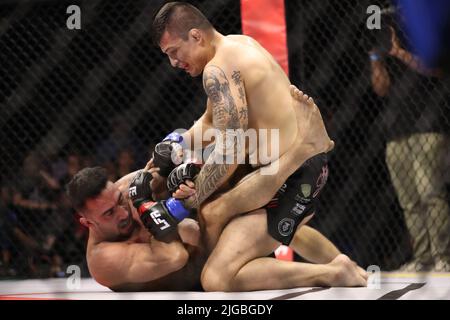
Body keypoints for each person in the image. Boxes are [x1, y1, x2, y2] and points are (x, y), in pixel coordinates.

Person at [66, 87, 367, 291]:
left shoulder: (127, 189)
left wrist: (174, 171)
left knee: (215, 191)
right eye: (108, 213)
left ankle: (347, 267)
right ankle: (333, 270)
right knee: (208, 236)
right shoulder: (103, 260)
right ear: (87, 223)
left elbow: (160, 167)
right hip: (193, 271)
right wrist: (158, 210)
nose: (121, 211)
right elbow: (174, 258)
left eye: (119, 200)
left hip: (203, 241)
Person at [151, 1, 335, 252]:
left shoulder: (217, 70)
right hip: (290, 166)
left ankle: (206, 275)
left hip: (290, 170)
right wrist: (176, 142)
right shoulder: (238, 43)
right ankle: (349, 270)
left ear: (195, 36)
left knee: (212, 223)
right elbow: (210, 121)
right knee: (282, 230)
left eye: (174, 51)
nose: (173, 62)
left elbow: (230, 151)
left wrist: (188, 202)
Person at [369, 16, 450, 271]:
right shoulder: (380, 32)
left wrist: (399, 53)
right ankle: (423, 258)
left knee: (431, 194)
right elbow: (380, 89)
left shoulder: (424, 26)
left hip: (429, 124)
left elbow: (437, 69)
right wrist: (377, 60)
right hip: (397, 130)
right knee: (409, 200)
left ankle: (443, 257)